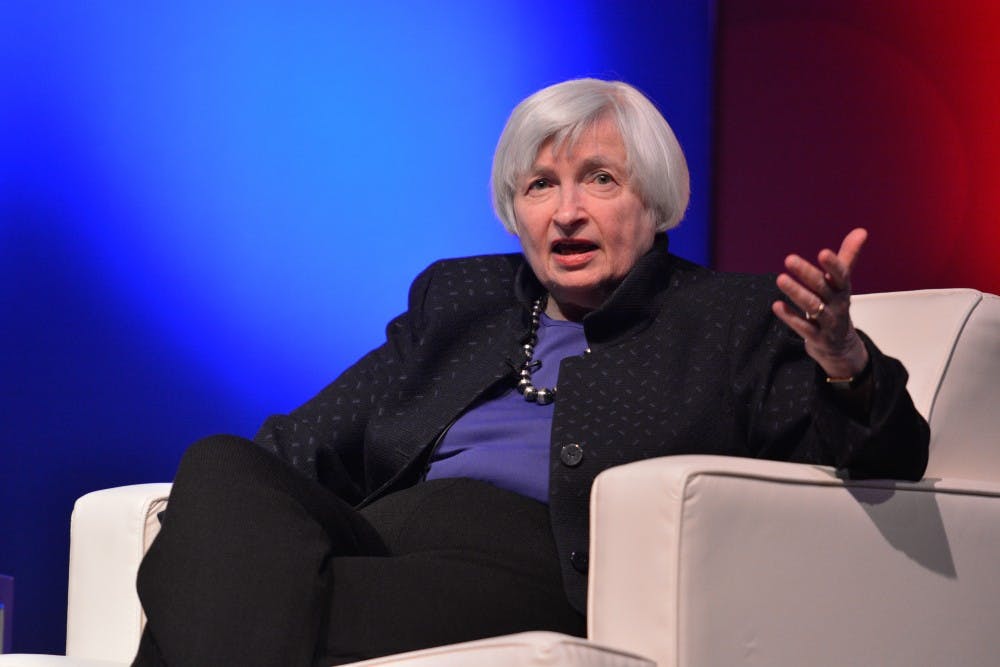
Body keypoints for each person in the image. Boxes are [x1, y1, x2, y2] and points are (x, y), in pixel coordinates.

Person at [132, 79, 929, 667]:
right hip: (378, 540)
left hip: (527, 567)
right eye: (541, 185)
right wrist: (211, 525)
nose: (566, 211)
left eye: (600, 179)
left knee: (205, 607)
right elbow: (305, 442)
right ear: (517, 212)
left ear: (654, 201)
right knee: (219, 463)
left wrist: (845, 363)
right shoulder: (460, 297)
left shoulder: (727, 318)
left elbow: (881, 456)